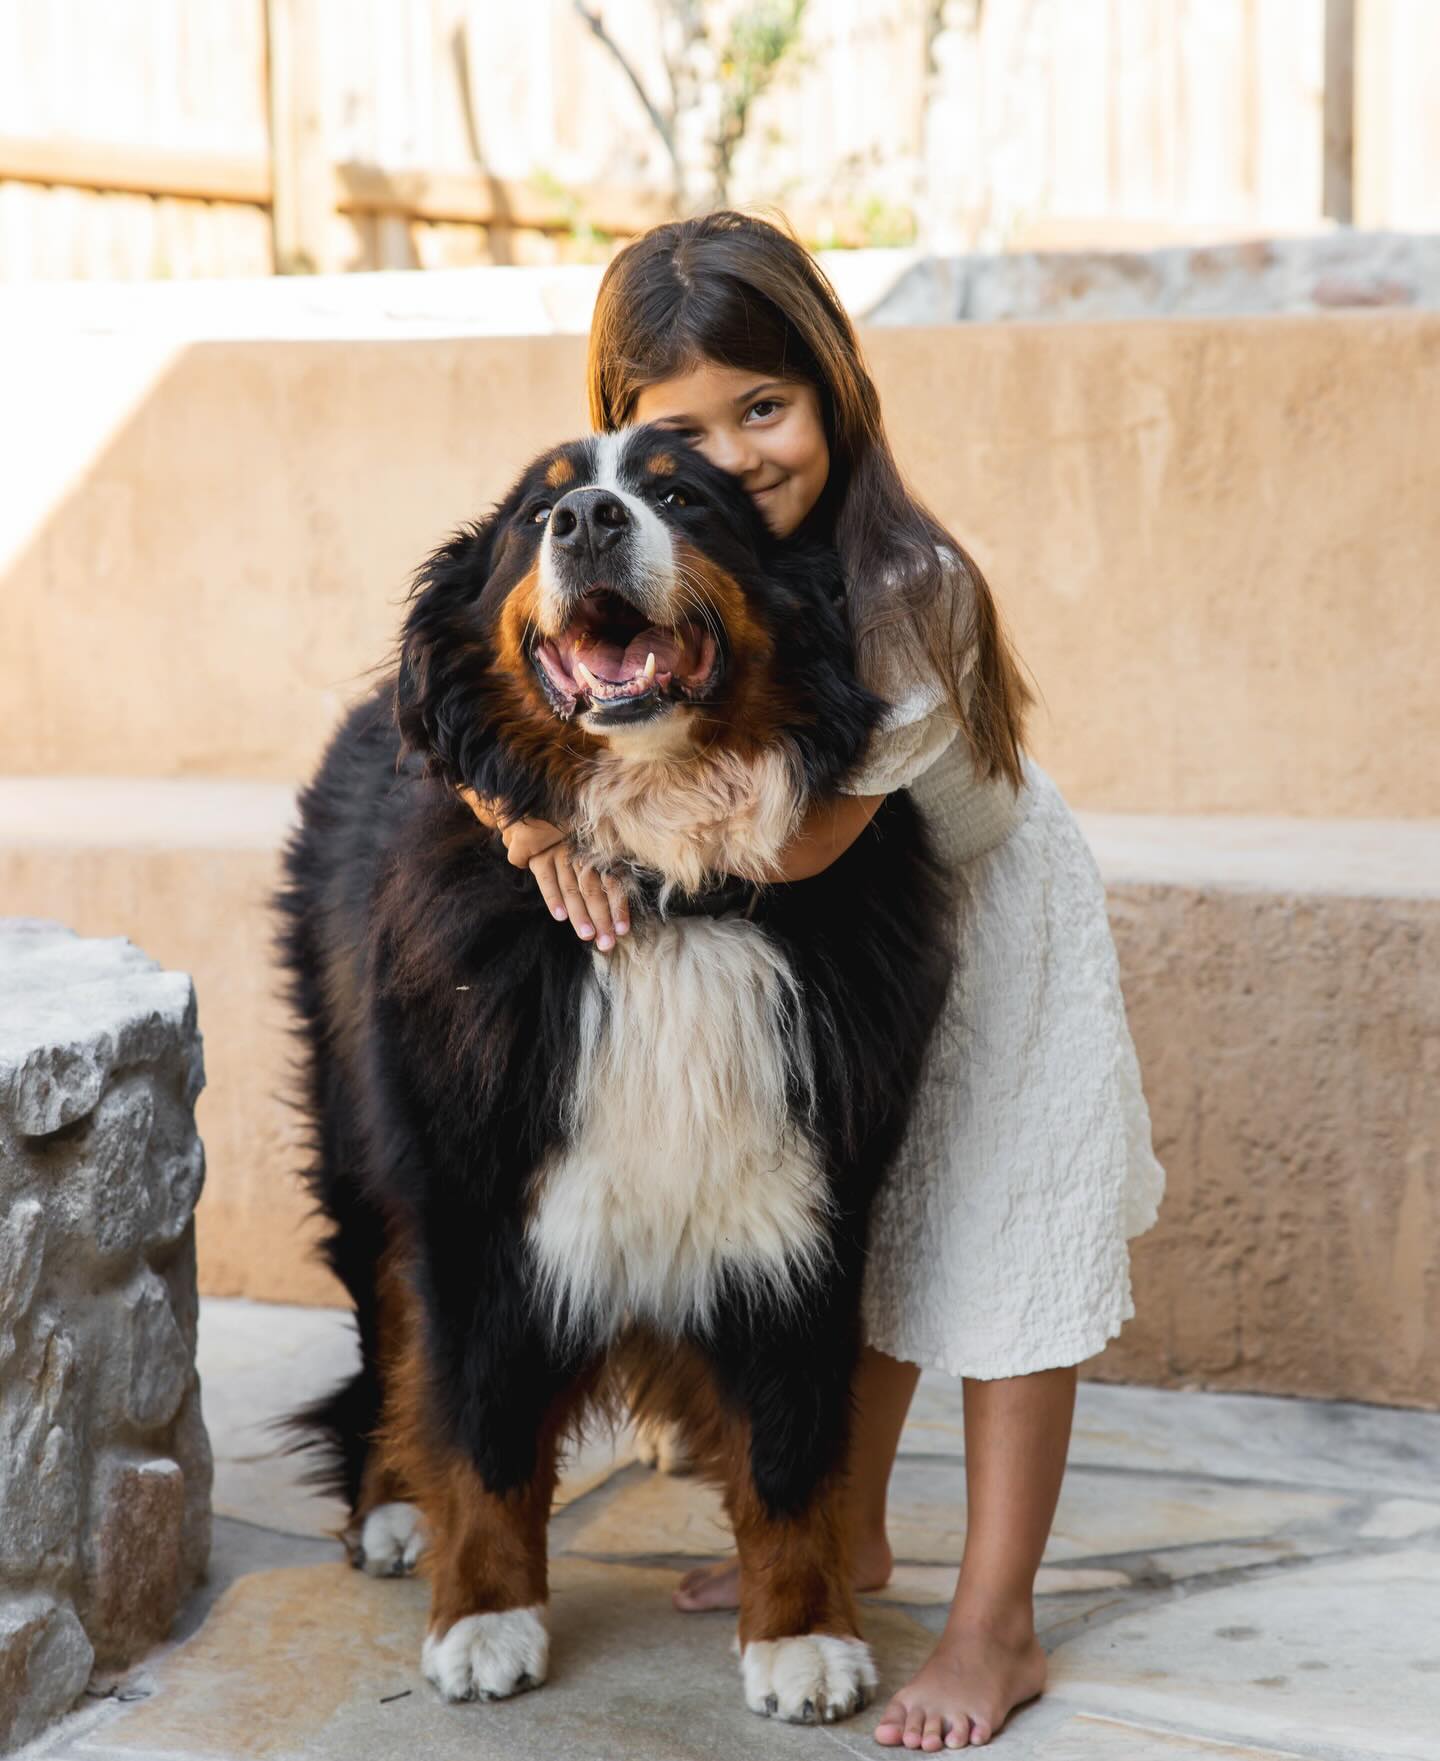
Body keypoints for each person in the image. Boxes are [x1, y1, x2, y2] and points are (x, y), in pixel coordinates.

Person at [463, 210, 1165, 1751]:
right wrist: (524, 818)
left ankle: (999, 1625)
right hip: (883, 945)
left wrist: (589, 829)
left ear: (837, 388)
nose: (739, 449)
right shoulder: (689, 550)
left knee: (1009, 1259)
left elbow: (786, 850)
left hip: (996, 930)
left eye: (764, 405)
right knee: (886, 1248)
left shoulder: (910, 581)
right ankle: (845, 1542)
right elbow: (486, 717)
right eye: (682, 425)